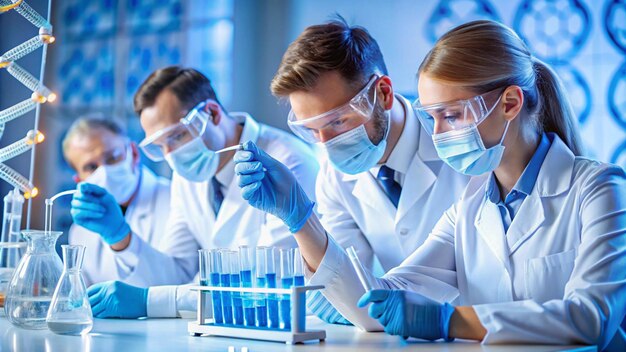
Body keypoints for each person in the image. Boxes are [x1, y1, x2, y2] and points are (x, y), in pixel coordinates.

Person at [234, 20, 626, 349]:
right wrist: (300, 219)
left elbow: (592, 316)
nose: (437, 134)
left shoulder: (599, 188)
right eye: (431, 116)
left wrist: (448, 320)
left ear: (509, 103)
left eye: (451, 115)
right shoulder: (468, 209)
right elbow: (379, 302)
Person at [266, 17, 468, 324]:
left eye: (337, 122)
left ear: (383, 94)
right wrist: (335, 294)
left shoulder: (459, 146)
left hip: (483, 329)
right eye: (311, 130)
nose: (326, 144)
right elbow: (350, 282)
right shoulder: (335, 177)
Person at [76, 66, 319, 319]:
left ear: (212, 114)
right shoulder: (189, 175)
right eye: (159, 147)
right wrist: (121, 237)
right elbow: (176, 273)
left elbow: (272, 284)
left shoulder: (288, 163)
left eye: (177, 136)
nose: (170, 157)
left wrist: (149, 301)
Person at [64, 117, 170, 287]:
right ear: (79, 180)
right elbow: (81, 298)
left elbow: (177, 280)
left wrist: (119, 236)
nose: (104, 170)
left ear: (134, 154)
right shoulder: (80, 231)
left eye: (112, 157)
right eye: (91, 167)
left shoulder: (174, 200)